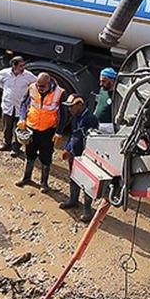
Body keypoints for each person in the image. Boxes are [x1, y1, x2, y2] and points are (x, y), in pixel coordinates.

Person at [15, 73, 67, 192]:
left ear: (49, 84)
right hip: (31, 128)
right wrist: (22, 118)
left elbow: (64, 114)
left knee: (46, 157)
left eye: (42, 86)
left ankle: (44, 183)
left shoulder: (60, 93)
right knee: (30, 154)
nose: (40, 88)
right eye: (38, 86)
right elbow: (24, 104)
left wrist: (59, 132)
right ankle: (26, 178)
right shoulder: (32, 87)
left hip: (47, 131)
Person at [58, 94, 99, 222]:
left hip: (86, 155)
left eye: (72, 107)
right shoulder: (76, 117)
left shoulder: (90, 119)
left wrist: (68, 149)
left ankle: (87, 210)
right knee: (73, 177)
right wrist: (68, 149)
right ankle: (73, 200)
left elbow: (81, 137)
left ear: (80, 105)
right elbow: (73, 135)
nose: (70, 109)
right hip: (75, 153)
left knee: (87, 182)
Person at [0, 56, 37, 155]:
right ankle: (6, 143)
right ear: (14, 65)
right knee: (7, 126)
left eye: (23, 65)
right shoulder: (5, 73)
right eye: (20, 66)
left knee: (19, 129)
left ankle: (16, 147)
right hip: (8, 106)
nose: (23, 68)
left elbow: (35, 84)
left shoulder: (28, 76)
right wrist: (3, 87)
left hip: (20, 108)